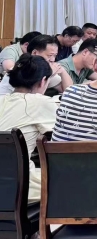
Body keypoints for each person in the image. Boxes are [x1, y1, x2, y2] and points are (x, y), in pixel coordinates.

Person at [0, 55, 58, 203]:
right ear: (43, 81)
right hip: (19, 186)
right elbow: (64, 133)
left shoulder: (2, 99)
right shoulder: (40, 102)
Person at [0, 35, 73, 95]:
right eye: (50, 55)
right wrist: (49, 74)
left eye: (55, 55)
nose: (53, 60)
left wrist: (62, 70)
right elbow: (28, 97)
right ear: (35, 53)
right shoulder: (21, 70)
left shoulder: (45, 69)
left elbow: (68, 91)